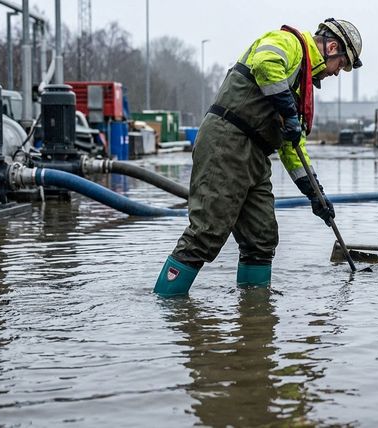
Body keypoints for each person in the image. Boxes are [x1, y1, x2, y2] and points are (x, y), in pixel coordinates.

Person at [154, 18, 363, 297]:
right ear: (332, 47)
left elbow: (292, 147)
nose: (338, 73)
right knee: (207, 233)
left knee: (262, 238)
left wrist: (315, 193)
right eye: (342, 65)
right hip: (227, 141)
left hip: (255, 154)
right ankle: (166, 307)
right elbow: (266, 63)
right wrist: (288, 112)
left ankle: (254, 312)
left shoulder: (301, 85)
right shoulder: (289, 44)